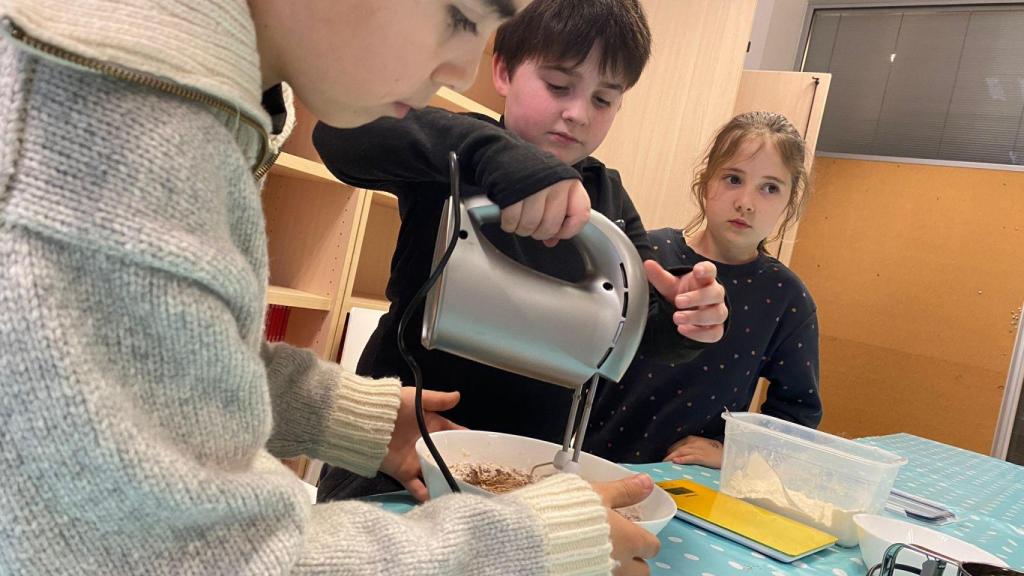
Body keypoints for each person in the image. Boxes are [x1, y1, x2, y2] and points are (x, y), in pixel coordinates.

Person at [0, 0, 662, 573]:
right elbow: (205, 556)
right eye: (460, 16)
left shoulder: (205, 108)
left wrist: (341, 414)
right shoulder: (124, 116)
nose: (459, 70)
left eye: (604, 98)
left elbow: (152, 362)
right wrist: (526, 545)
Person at [313, 0, 728, 503]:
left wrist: (687, 320)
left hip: (521, 471)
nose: (577, 113)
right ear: (504, 71)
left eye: (603, 99)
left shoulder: (608, 198)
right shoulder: (457, 150)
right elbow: (341, 134)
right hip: (397, 454)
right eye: (558, 86)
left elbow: (633, 333)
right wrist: (492, 155)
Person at [583, 111, 822, 469]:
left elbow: (798, 415)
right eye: (733, 178)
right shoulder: (646, 253)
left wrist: (732, 454)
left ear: (789, 202)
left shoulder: (787, 299)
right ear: (706, 181)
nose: (746, 202)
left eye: (770, 188)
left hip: (688, 480)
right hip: (592, 456)